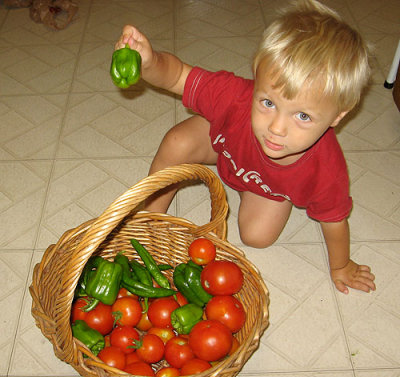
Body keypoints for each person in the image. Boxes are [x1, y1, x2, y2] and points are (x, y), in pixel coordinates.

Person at [115, 0, 376, 294]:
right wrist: (150, 63)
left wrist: (340, 266)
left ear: (338, 116)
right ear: (256, 78)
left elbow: (334, 222)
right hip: (224, 144)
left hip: (267, 187)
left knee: (257, 236)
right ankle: (151, 218)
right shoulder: (236, 97)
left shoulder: (326, 170)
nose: (276, 128)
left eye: (302, 116)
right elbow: (177, 76)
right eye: (267, 102)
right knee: (178, 141)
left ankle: (268, 191)